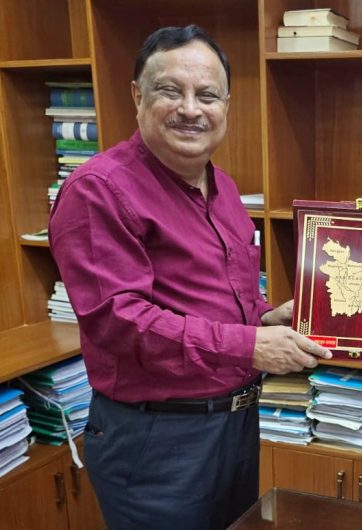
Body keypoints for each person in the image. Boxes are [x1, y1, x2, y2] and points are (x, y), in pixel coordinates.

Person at [49, 25, 331, 530]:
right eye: (170, 90)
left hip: (235, 426)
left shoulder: (224, 188)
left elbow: (224, 298)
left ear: (226, 105)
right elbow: (120, 321)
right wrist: (250, 345)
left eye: (207, 95)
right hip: (157, 439)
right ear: (137, 96)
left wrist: (268, 318)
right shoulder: (99, 190)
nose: (190, 109)